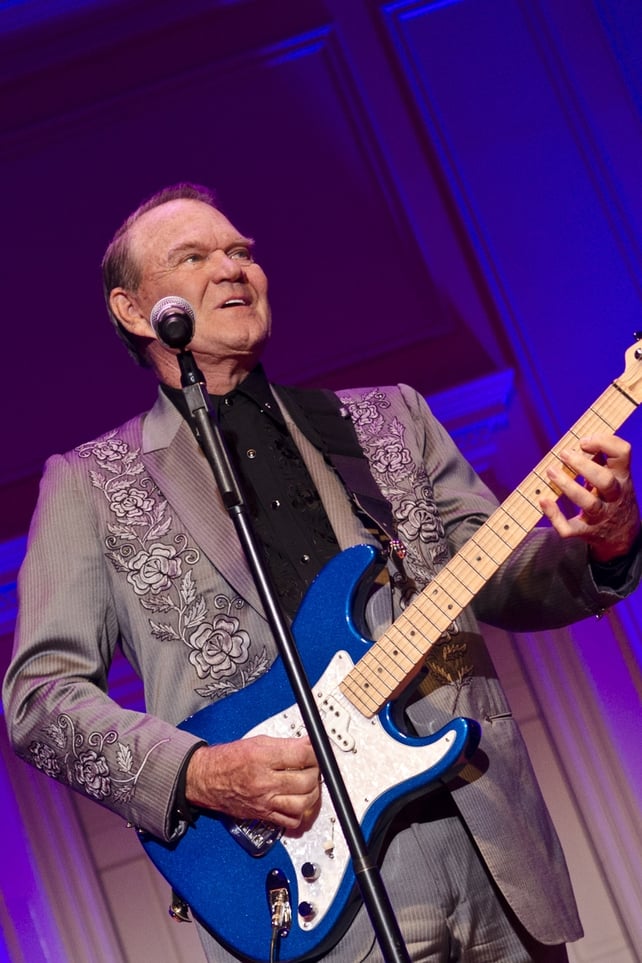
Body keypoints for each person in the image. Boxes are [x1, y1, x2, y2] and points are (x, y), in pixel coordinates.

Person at [3, 181, 641, 963]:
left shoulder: (388, 418)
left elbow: (501, 570)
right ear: (134, 311)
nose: (233, 268)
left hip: (486, 837)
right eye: (194, 256)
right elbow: (41, 700)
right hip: (303, 881)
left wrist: (608, 543)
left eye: (242, 250)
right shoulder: (90, 486)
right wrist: (200, 771)